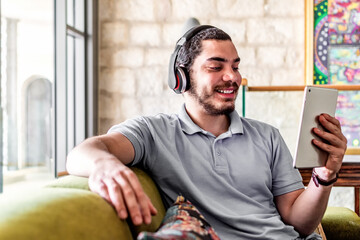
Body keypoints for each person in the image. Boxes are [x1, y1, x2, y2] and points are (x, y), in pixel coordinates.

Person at [66, 25, 347, 239]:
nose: (232, 77)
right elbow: (82, 153)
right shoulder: (154, 132)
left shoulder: (268, 136)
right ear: (182, 76)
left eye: (235, 66)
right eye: (216, 67)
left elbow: (299, 222)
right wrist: (104, 165)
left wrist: (326, 175)